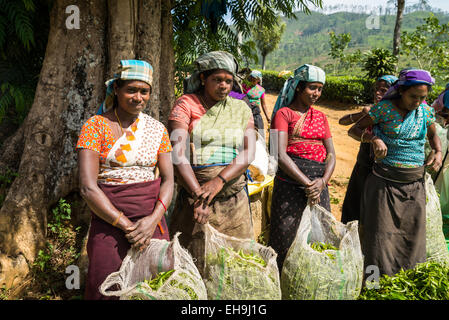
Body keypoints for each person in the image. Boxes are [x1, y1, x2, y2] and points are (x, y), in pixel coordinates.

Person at [76, 60, 174, 299]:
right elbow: (88, 188)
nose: (138, 97)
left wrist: (152, 221)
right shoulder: (96, 127)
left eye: (144, 91)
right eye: (131, 90)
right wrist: (126, 226)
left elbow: (169, 181)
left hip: (152, 222)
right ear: (116, 89)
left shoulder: (157, 129)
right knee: (105, 286)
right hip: (109, 220)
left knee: (154, 287)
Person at [167, 51, 256, 273]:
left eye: (228, 80)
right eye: (217, 80)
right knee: (194, 262)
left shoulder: (241, 108)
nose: (224, 86)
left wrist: (219, 180)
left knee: (233, 264)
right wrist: (199, 196)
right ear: (203, 78)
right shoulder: (186, 104)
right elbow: (177, 153)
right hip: (196, 200)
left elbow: (249, 151)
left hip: (233, 198)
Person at [348, 68, 442, 278]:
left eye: (423, 98)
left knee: (412, 239)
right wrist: (373, 139)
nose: (417, 102)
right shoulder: (383, 110)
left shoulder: (425, 112)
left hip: (414, 187)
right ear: (401, 91)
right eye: (413, 97)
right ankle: (373, 285)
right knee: (378, 240)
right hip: (384, 186)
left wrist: (437, 151)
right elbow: (353, 129)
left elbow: (433, 134)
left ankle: (406, 282)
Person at [267, 64, 336, 270]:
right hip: (291, 182)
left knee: (317, 233)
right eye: (312, 88)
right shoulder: (283, 114)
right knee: (286, 233)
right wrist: (307, 184)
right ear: (298, 87)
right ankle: (282, 278)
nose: (316, 93)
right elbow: (279, 153)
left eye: (320, 89)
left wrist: (322, 182)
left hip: (318, 183)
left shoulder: (321, 117)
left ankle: (311, 277)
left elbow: (331, 154)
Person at [340, 75, 398, 224]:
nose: (378, 93)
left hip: (383, 171)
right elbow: (343, 122)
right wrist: (361, 114)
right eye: (376, 90)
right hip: (364, 165)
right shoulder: (372, 111)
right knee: (354, 206)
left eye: (383, 90)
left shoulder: (395, 115)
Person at [243, 70, 270, 134]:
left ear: (258, 80)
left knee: (260, 133)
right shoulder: (244, 86)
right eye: (251, 78)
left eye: (254, 79)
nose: (252, 80)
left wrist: (268, 118)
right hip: (246, 113)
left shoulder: (261, 90)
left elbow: (264, 105)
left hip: (256, 113)